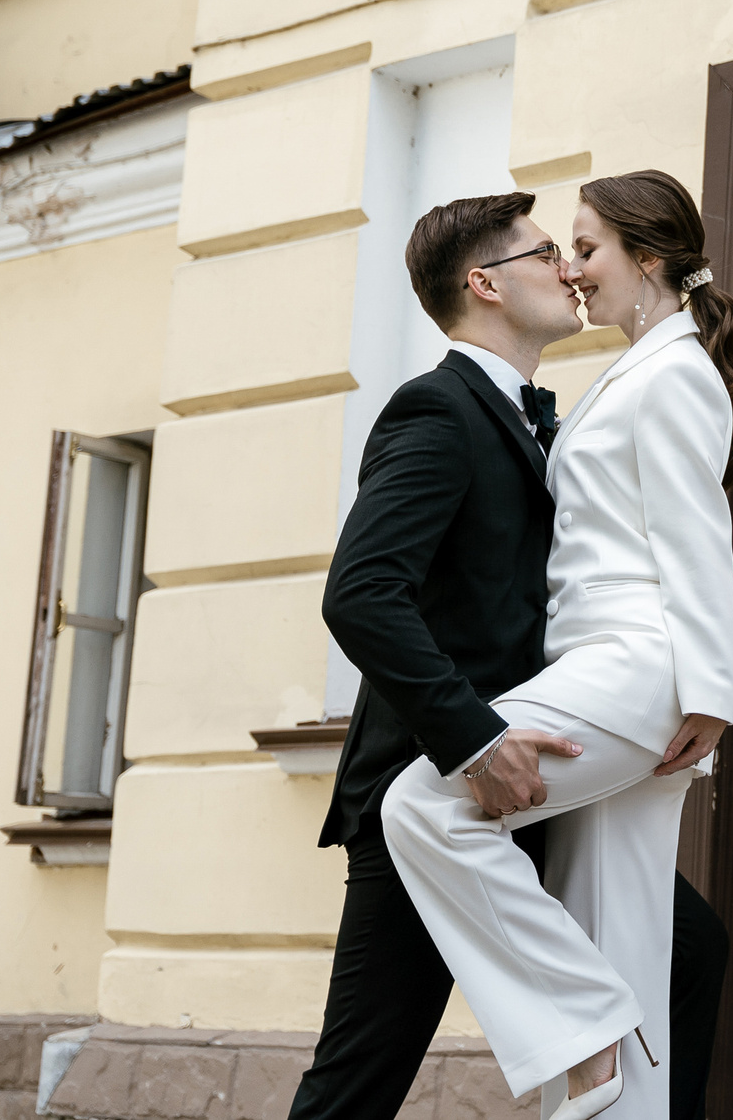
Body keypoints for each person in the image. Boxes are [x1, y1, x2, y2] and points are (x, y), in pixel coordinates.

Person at [380, 170, 733, 1120]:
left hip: (633, 666)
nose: (574, 269)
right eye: (564, 251)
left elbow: (695, 536)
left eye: (587, 249)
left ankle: (587, 1021)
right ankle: (607, 1044)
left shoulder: (676, 372)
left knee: (420, 803)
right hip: (602, 668)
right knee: (619, 930)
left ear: (650, 259)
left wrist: (716, 692)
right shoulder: (629, 373)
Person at [287, 191, 588, 1120]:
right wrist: (473, 739)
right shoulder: (436, 410)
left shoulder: (542, 421)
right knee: (355, 1088)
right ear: (484, 282)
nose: (570, 268)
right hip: (427, 793)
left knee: (689, 957)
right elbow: (360, 594)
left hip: (533, 788)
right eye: (548, 252)